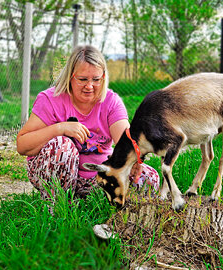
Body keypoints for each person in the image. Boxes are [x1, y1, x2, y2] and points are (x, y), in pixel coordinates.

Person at [16, 45, 159, 202]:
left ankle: (107, 208)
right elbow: (23, 145)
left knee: (148, 177)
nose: (89, 86)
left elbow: (125, 140)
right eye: (83, 79)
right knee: (62, 145)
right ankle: (58, 207)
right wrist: (60, 128)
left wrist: (134, 158)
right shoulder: (50, 99)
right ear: (70, 76)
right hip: (55, 171)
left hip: (96, 177)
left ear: (103, 77)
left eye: (96, 80)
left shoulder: (111, 102)